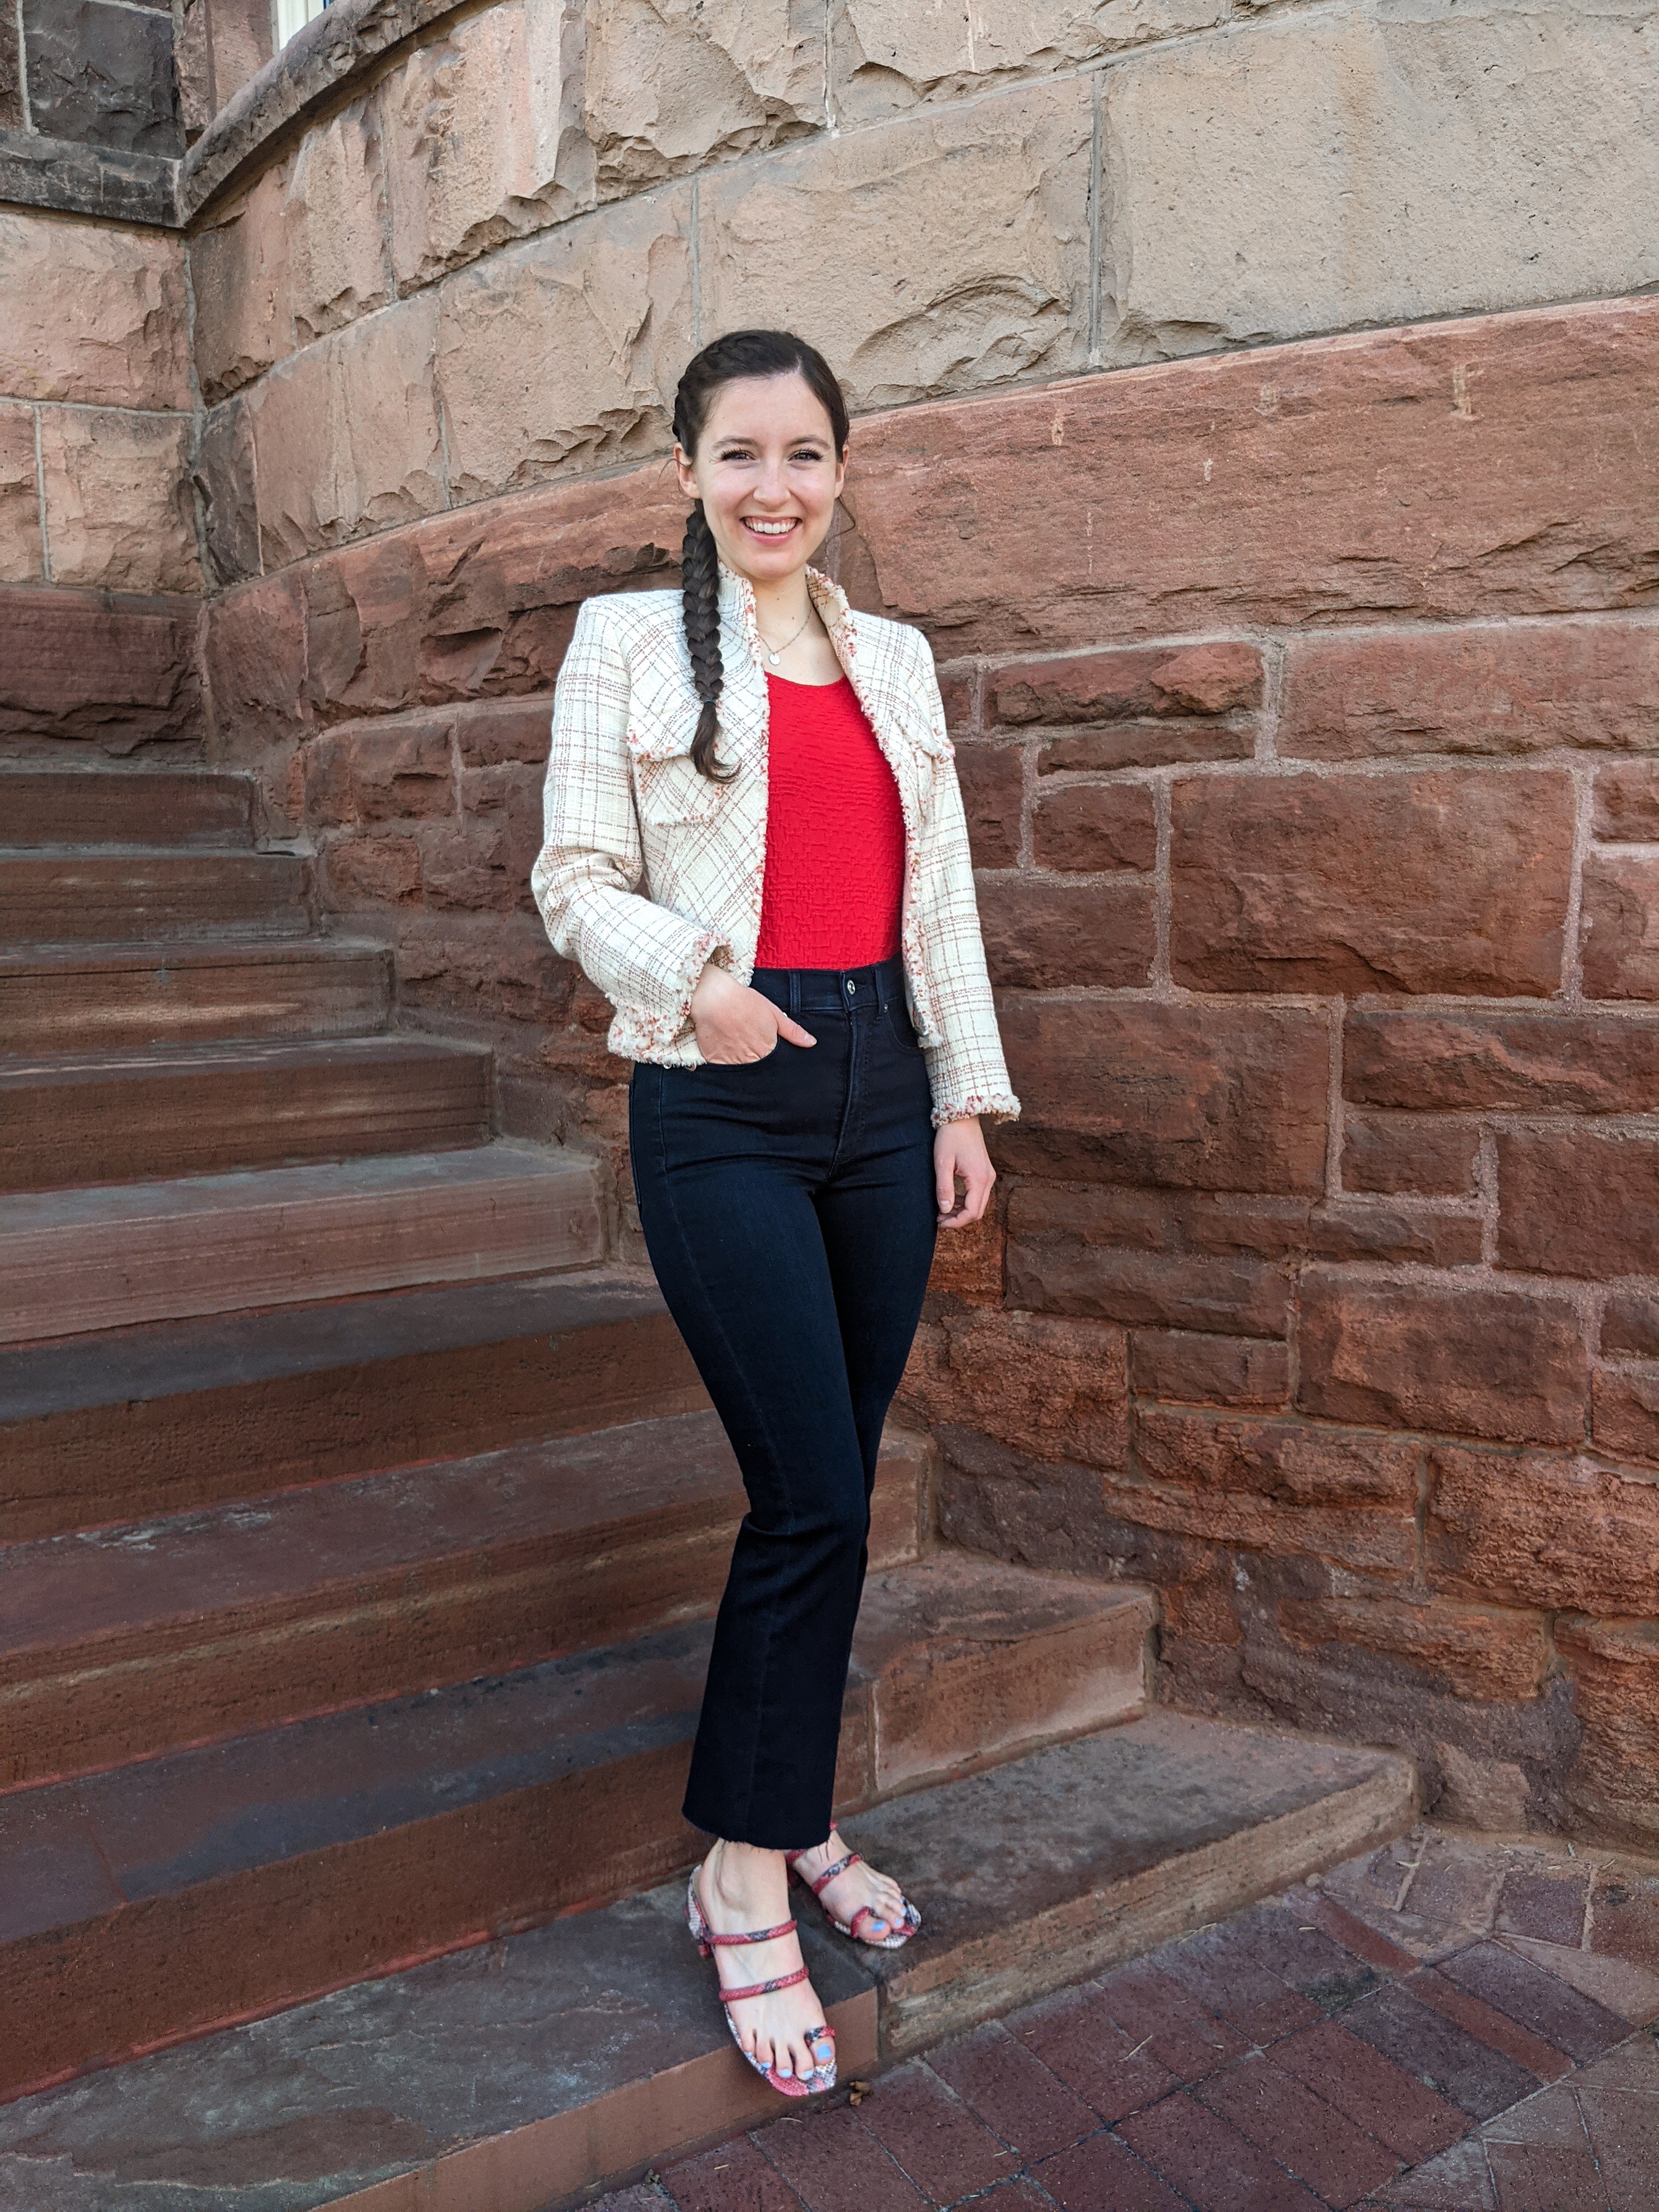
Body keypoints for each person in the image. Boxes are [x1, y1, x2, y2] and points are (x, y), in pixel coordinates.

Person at [531, 327, 1019, 2100]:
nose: (774, 486)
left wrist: (959, 1096)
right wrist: (700, 984)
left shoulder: (893, 657)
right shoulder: (627, 641)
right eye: (739, 453)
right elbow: (572, 876)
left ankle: (791, 1808)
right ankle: (743, 1874)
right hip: (720, 1093)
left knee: (836, 1488)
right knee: (810, 1491)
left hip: (885, 1090)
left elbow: (938, 891)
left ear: (841, 470)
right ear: (686, 469)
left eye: (804, 453)